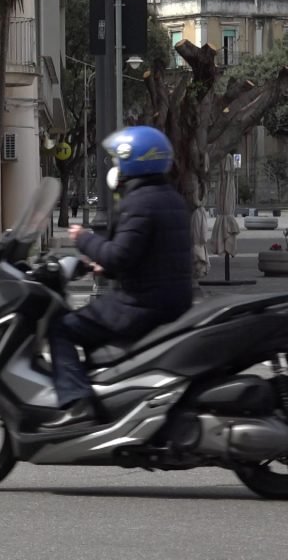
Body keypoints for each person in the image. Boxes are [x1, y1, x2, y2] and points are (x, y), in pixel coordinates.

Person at [40, 125, 193, 430]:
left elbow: (120, 255)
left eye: (117, 161)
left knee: (62, 328)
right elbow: (145, 255)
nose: (115, 169)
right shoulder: (170, 197)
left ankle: (77, 402)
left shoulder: (140, 202)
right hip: (167, 298)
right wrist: (102, 266)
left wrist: (83, 239)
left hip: (141, 303)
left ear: (132, 161)